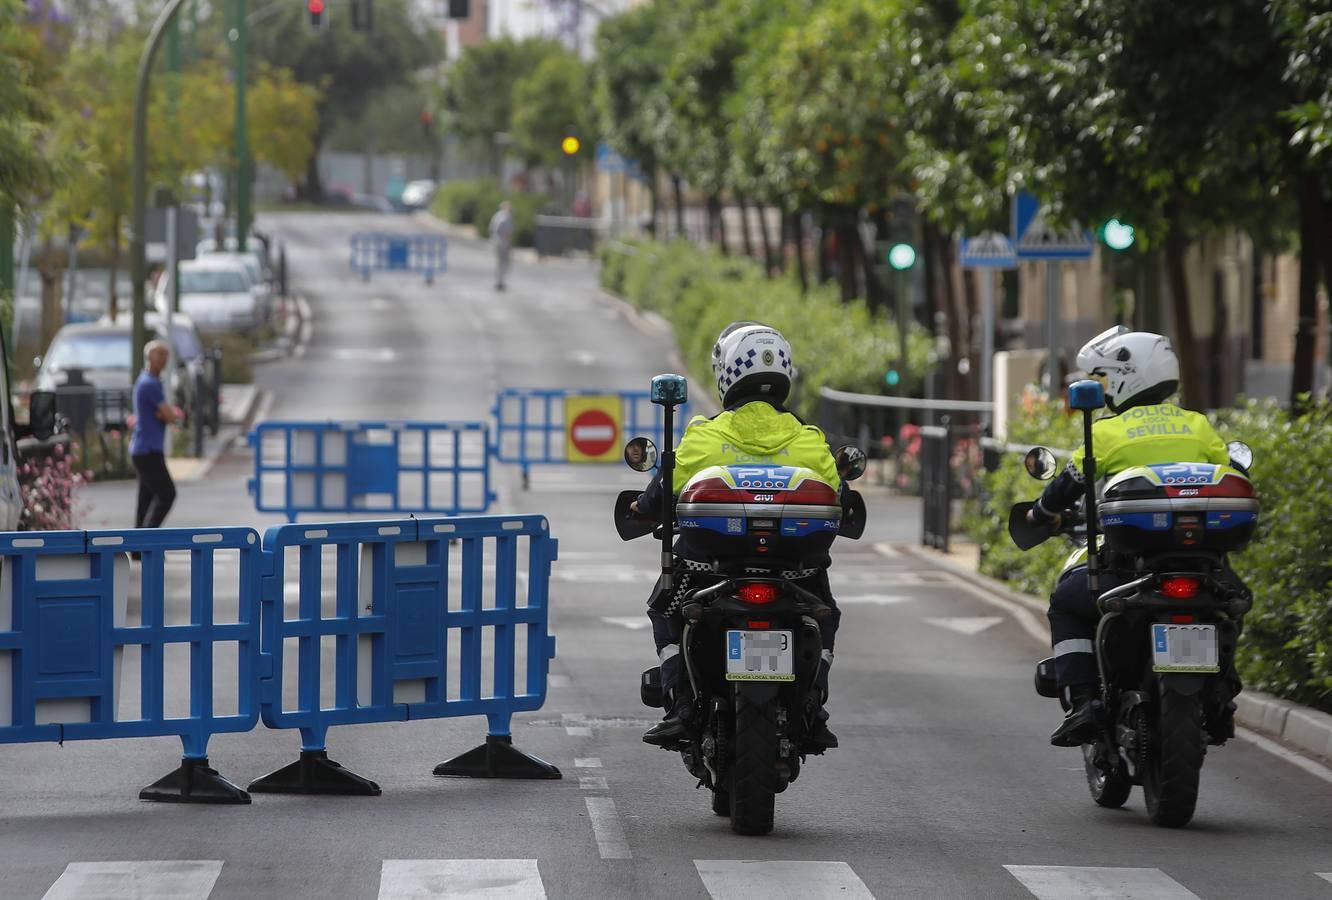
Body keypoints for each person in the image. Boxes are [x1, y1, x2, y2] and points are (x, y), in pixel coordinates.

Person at [633, 321, 849, 751]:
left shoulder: (705, 435)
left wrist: (642, 507)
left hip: (706, 569)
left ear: (727, 372)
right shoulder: (810, 440)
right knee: (827, 616)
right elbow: (839, 498)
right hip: (796, 571)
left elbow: (663, 491)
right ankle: (814, 703)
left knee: (663, 609)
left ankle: (679, 703)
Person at [1026, 326, 1233, 747]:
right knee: (1231, 605)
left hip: (1129, 568)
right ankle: (1223, 692)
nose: (1102, 390)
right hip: (1201, 561)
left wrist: (1041, 511)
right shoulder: (1198, 426)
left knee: (1066, 602)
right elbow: (1230, 474)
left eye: (1104, 378)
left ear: (1126, 375)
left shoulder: (1106, 432)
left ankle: (1082, 701)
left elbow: (1070, 482)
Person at [131, 340, 182, 530]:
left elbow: (166, 414)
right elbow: (169, 415)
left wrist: (164, 414)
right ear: (150, 357)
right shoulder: (149, 383)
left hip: (146, 448)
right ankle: (149, 540)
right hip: (147, 449)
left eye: (166, 355)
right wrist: (164, 414)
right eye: (160, 354)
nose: (164, 359)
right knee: (167, 494)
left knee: (146, 498)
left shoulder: (151, 381)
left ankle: (137, 546)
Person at [489, 201, 514, 291]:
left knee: (499, 262)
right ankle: (501, 282)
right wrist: (510, 245)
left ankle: (499, 281)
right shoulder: (507, 217)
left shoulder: (496, 216)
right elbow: (508, 233)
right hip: (503, 241)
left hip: (496, 240)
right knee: (504, 262)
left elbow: (491, 229)